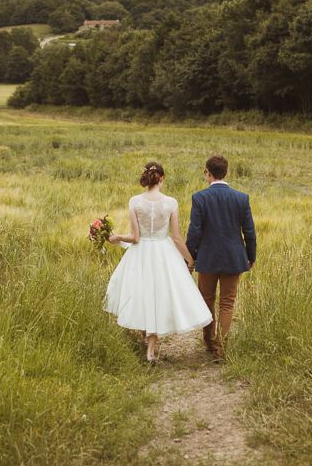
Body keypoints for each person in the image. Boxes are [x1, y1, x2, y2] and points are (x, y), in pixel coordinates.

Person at [104, 162, 212, 363]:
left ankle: (144, 335)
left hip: (140, 253)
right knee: (158, 296)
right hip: (164, 253)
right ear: (162, 178)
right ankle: (151, 351)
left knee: (141, 292)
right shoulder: (171, 203)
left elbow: (135, 237)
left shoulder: (135, 201)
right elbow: (177, 238)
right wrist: (190, 260)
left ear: (147, 178)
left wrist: (117, 237)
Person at [186, 154, 256, 363]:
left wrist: (191, 256)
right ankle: (221, 348)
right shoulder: (241, 198)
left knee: (206, 299)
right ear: (226, 172)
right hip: (234, 258)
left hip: (207, 258)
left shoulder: (200, 198)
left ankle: (208, 341)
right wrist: (250, 256)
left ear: (208, 173)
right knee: (227, 303)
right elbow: (249, 232)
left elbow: (194, 232)